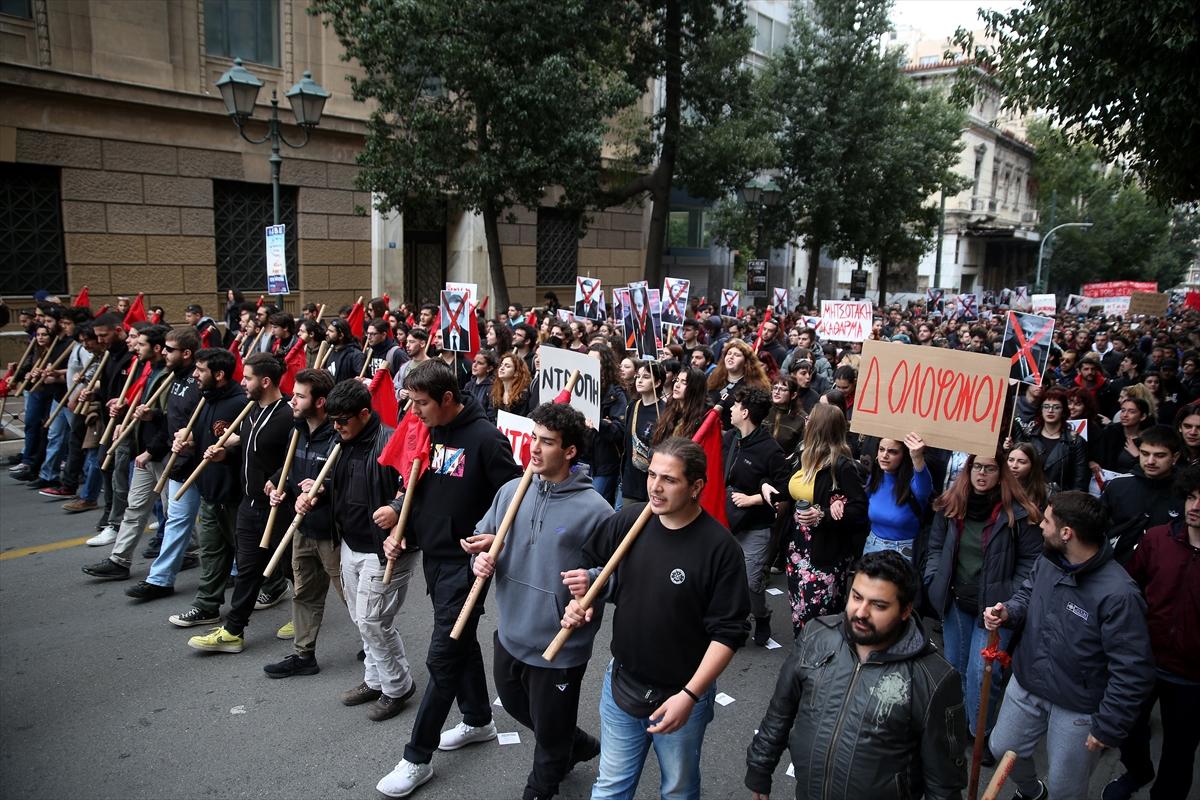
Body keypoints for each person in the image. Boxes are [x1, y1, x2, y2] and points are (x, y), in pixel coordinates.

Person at [559, 438, 750, 800]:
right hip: (621, 685)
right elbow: (591, 564)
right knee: (611, 786)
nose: (655, 487)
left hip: (681, 692)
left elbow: (728, 634)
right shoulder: (632, 519)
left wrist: (690, 695)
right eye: (651, 475)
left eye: (669, 479)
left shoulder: (720, 549)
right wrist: (586, 594)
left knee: (677, 788)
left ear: (696, 487)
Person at [441, 403, 613, 800]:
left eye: (547, 442)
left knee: (550, 737)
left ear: (570, 451)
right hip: (512, 631)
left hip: (560, 646)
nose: (534, 448)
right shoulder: (510, 491)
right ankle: (580, 744)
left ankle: (542, 787)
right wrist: (480, 550)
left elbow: (617, 571)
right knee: (519, 707)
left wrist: (590, 580)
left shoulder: (596, 510)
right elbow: (484, 535)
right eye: (534, 437)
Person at [376, 360, 521, 797]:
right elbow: (421, 484)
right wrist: (404, 524)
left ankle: (416, 757)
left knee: (442, 658)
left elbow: (513, 497)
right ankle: (478, 719)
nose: (413, 412)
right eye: (410, 402)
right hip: (434, 559)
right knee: (458, 645)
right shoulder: (429, 429)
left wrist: (490, 537)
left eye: (420, 403)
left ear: (447, 399)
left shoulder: (486, 439)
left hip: (466, 567)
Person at [745, 551, 967, 800]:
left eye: (878, 605)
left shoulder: (934, 678)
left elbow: (944, 784)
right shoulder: (816, 636)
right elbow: (780, 712)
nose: (861, 612)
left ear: (905, 610)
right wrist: (759, 770)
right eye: (856, 597)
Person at [986, 491, 1155, 800]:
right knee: (1001, 747)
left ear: (1067, 533)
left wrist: (1108, 726)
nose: (1040, 526)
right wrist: (1008, 611)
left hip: (1077, 705)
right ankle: (1031, 792)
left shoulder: (1120, 594)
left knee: (1066, 788)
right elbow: (1027, 594)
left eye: (1047, 521)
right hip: (1028, 682)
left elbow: (1132, 670)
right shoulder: (1048, 559)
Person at [288, 379, 420, 721]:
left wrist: (395, 506)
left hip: (385, 548)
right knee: (361, 619)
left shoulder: (392, 440)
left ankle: (397, 686)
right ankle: (375, 679)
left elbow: (418, 488)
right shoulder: (340, 441)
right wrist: (315, 493)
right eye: (333, 420)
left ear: (364, 413)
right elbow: (340, 487)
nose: (336, 427)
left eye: (343, 420)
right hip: (350, 542)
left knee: (374, 621)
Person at [925, 451, 1042, 742]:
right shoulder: (952, 504)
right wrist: (934, 579)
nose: (982, 473)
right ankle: (963, 727)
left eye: (989, 468)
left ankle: (982, 735)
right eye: (977, 466)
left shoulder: (1018, 513)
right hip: (957, 602)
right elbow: (936, 546)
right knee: (956, 666)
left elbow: (1031, 564)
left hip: (994, 611)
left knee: (982, 675)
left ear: (1001, 474)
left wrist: (1009, 601)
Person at [186, 351, 294, 654]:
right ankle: (233, 631)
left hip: (279, 507)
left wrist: (277, 478)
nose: (242, 383)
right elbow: (249, 451)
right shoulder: (251, 410)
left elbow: (295, 458)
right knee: (247, 569)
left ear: (266, 380)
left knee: (291, 567)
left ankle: (305, 613)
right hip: (250, 503)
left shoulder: (287, 415)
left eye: (247, 378)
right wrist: (225, 454)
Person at [1104, 466, 1200, 800]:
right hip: (1144, 661)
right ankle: (1137, 771)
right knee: (1129, 729)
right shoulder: (1158, 538)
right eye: (1191, 496)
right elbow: (1130, 586)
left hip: (1191, 675)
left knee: (1181, 747)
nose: (1195, 505)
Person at [261, 369, 343, 676]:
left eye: (299, 396)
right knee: (304, 593)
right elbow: (289, 470)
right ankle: (303, 654)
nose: (292, 400)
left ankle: (376, 645)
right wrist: (275, 484)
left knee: (352, 596)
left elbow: (350, 481)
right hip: (301, 527)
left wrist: (325, 488)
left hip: (332, 533)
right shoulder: (296, 430)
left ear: (320, 401)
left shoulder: (339, 435)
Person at [165, 348, 248, 630]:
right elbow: (201, 440)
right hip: (209, 490)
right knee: (212, 551)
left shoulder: (241, 404)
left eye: (200, 370)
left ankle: (275, 586)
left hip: (236, 493)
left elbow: (253, 450)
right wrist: (186, 444)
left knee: (247, 552)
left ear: (219, 374)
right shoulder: (204, 400)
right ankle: (206, 606)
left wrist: (228, 454)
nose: (195, 375)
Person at [81, 325, 172, 581]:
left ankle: (187, 549)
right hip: (144, 450)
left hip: (161, 453)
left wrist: (152, 446)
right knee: (135, 508)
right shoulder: (147, 370)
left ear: (156, 348)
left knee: (172, 511)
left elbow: (170, 420)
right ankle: (119, 560)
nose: (136, 347)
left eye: (141, 344)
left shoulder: (167, 376)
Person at [125, 327, 203, 599]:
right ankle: (160, 579)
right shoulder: (174, 379)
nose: (164, 353)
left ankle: (238, 571)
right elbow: (172, 420)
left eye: (170, 350)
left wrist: (193, 440)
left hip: (205, 467)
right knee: (176, 521)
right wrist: (153, 416)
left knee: (219, 526)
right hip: (180, 465)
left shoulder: (198, 383)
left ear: (186, 353)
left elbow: (208, 423)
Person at [784, 404, 869, 637]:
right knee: (799, 614)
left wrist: (824, 513)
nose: (806, 422)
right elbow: (789, 488)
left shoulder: (843, 466)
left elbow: (860, 509)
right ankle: (802, 664)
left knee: (819, 619)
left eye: (810, 419)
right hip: (798, 549)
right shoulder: (804, 455)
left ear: (820, 427)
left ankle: (821, 668)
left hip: (825, 554)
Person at [723, 387, 792, 646]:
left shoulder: (770, 450)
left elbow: (786, 490)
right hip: (727, 522)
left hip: (755, 527)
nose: (730, 409)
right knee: (727, 578)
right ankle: (733, 624)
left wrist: (754, 499)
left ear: (745, 412)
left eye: (735, 405)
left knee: (752, 584)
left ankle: (761, 616)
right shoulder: (731, 439)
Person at [1100, 425, 1185, 563]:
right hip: (1118, 566)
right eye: (1145, 454)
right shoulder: (1118, 485)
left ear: (1175, 457)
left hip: (1166, 567)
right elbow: (1098, 527)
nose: (1150, 461)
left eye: (1160, 455)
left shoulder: (1186, 492)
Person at [864, 433, 932, 561]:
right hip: (871, 547)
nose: (884, 455)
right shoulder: (874, 478)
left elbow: (924, 490)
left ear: (904, 456)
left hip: (902, 552)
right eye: (881, 449)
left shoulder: (914, 481)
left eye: (893, 452)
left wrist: (917, 457)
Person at [1016, 387, 1089, 491]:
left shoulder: (1075, 441)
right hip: (1030, 495)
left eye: (1056, 407)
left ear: (1063, 411)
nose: (1050, 411)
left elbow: (1080, 480)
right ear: (1041, 410)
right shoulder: (1029, 436)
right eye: (1046, 406)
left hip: (1061, 500)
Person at [582, 343, 627, 506]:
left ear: (605, 366)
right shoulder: (581, 388)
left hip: (603, 464)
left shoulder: (616, 395)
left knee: (595, 507)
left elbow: (619, 431)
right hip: (581, 460)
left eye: (595, 361)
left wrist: (598, 423)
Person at [621, 360, 664, 505]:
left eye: (646, 377)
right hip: (630, 480)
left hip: (653, 482)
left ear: (657, 383)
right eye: (638, 376)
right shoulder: (633, 405)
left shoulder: (664, 411)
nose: (639, 380)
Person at [707, 340, 770, 428]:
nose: (731, 357)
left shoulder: (753, 387)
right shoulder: (714, 379)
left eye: (737, 355)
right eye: (729, 353)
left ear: (746, 363)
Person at [1096, 395, 1155, 474]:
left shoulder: (1149, 438)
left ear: (1143, 416)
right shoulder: (1110, 431)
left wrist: (1138, 455)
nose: (1125, 415)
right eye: (1123, 410)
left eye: (1131, 411)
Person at [652, 366, 709, 444]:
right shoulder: (670, 407)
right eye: (677, 380)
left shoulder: (703, 417)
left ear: (695, 388)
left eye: (684, 382)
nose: (677, 385)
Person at [1007, 442, 1049, 510]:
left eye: (1021, 462)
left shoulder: (1045, 492)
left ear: (1032, 465)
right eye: (1011, 460)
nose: (1014, 466)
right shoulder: (998, 486)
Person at [492, 352, 532, 417]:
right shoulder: (495, 392)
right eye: (501, 365)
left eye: (507, 366)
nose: (501, 368)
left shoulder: (523, 395)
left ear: (516, 373)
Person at [324, 318, 365, 383]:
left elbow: (361, 379)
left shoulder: (355, 355)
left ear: (341, 336)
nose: (327, 333)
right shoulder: (330, 351)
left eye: (331, 331)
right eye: (327, 330)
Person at [463, 350, 497, 423]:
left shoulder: (493, 388)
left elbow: (491, 414)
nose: (474, 365)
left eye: (480, 363)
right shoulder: (468, 385)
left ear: (489, 368)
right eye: (474, 361)